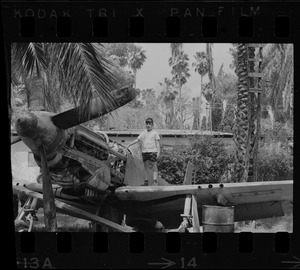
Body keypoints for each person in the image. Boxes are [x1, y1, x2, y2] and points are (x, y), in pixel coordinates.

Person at [127, 118, 160, 186]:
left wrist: (158, 152)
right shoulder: (143, 132)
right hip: (145, 151)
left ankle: (155, 182)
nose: (148, 125)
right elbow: (138, 140)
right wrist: (130, 144)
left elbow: (157, 143)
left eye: (149, 124)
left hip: (153, 151)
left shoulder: (155, 133)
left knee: (154, 166)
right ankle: (146, 181)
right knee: (146, 167)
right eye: (147, 124)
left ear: (152, 125)